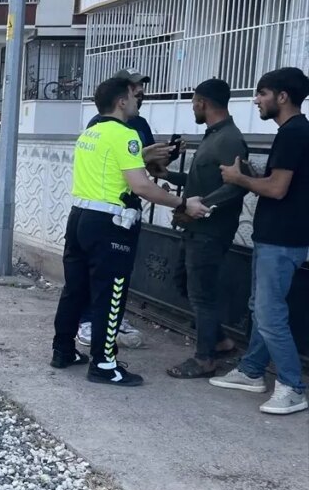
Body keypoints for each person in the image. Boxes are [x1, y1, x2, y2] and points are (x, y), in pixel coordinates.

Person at [50, 77, 210, 387]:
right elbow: (141, 186)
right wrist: (183, 203)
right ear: (121, 101)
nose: (138, 100)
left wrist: (144, 157)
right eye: (134, 96)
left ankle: (63, 350)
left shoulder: (90, 133)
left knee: (75, 289)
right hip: (110, 224)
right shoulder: (126, 135)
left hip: (80, 218)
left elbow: (111, 168)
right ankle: (104, 364)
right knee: (110, 293)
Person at [211, 67, 309, 415]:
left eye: (262, 93)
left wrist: (239, 179)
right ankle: (252, 370)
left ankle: (293, 387)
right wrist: (254, 175)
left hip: (283, 240)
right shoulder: (293, 132)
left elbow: (277, 189)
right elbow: (284, 185)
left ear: (283, 96)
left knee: (269, 314)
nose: (256, 100)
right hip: (274, 238)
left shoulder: (294, 133)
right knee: (260, 307)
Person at [75, 69, 173, 349]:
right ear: (122, 96)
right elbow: (122, 167)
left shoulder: (137, 124)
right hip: (108, 214)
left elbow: (142, 168)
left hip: (120, 212)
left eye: (141, 86)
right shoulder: (105, 126)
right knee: (101, 276)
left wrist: (160, 160)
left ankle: (109, 324)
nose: (139, 92)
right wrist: (180, 203)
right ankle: (98, 341)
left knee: (115, 278)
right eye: (134, 88)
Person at [162, 79, 249, 379]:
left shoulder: (229, 139)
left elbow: (237, 186)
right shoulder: (214, 136)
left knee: (202, 295)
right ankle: (221, 342)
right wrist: (168, 176)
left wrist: (201, 207)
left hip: (210, 232)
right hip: (196, 229)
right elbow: (200, 182)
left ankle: (204, 359)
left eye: (193, 103)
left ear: (202, 103)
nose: (193, 109)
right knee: (184, 283)